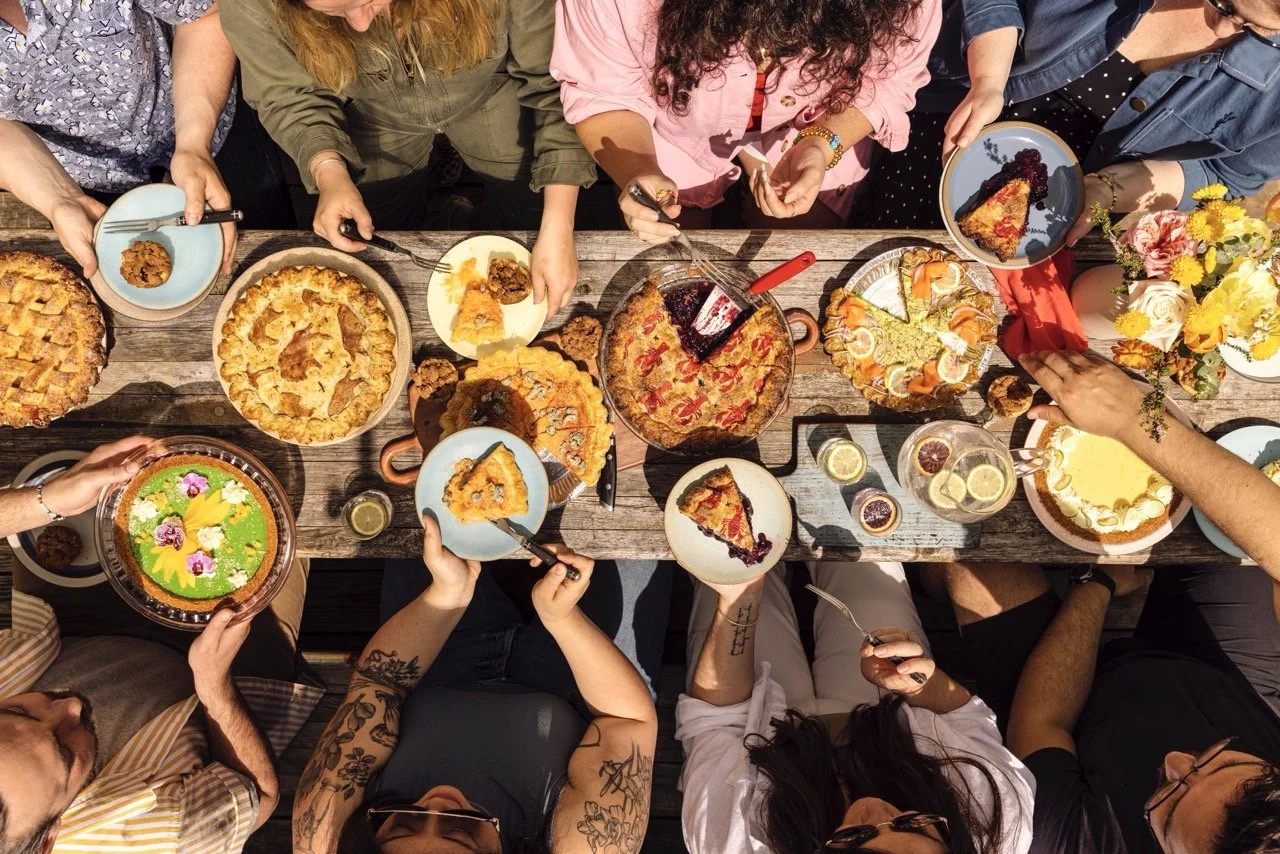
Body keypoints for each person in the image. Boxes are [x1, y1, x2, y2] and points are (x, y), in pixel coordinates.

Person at [925, 349, 1280, 854]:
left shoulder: (1080, 844)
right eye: (1221, 759)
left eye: (1170, 799)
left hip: (1068, 713)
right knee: (1238, 479)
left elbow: (1039, 724)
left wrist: (1100, 585)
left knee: (975, 552)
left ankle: (926, 583)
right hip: (1222, 669)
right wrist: (1136, 419)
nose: (1176, 759)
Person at [0, 436, 322, 853]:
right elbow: (259, 800)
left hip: (71, 624)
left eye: (16, 710)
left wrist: (46, 501)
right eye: (64, 751)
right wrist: (214, 689)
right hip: (221, 681)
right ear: (49, 839)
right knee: (289, 500)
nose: (69, 706)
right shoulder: (158, 837)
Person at [291, 516, 673, 853]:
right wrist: (563, 619)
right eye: (463, 831)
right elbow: (628, 722)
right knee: (641, 522)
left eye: (402, 822)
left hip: (433, 660)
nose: (437, 804)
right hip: (585, 692)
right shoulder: (589, 846)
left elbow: (378, 685)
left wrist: (446, 595)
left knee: (428, 505)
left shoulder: (325, 835)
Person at [218, 0, 596, 315]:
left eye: (368, 1)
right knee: (376, 227)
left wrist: (559, 224)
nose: (361, 25)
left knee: (534, 210)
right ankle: (447, 208)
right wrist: (329, 170)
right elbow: (288, 96)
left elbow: (554, 81)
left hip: (490, 90)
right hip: (374, 110)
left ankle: (467, 213)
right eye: (333, 13)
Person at [676, 559, 1034, 853]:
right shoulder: (1000, 825)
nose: (874, 808)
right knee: (864, 550)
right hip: (883, 707)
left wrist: (739, 601)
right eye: (913, 824)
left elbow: (715, 719)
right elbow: (963, 716)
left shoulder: (732, 846)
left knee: (728, 570)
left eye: (855, 838)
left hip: (758, 732)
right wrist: (920, 683)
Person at [851, 0, 1280, 244]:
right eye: (1225, 3)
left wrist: (1108, 190)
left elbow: (1226, 175)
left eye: (1259, 29)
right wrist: (988, 79)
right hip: (948, 115)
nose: (1225, 25)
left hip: (1066, 215)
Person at [551, 0, 942, 241]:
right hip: (672, 130)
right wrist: (638, 168)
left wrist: (823, 145)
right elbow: (604, 90)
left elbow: (889, 79)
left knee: (796, 244)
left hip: (817, 122)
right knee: (671, 245)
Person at [0, 0, 291, 279]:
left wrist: (194, 143)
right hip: (80, 173)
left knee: (274, 251)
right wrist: (59, 197)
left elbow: (202, 14)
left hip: (199, 103)